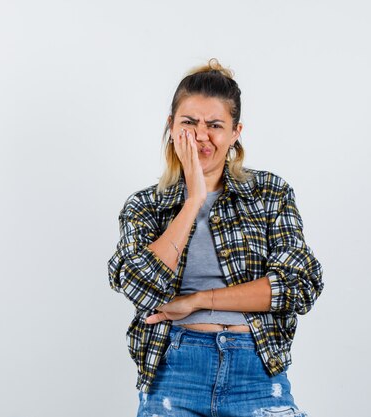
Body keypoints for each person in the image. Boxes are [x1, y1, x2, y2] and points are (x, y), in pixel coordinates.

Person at [107, 58, 324, 417]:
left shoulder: (269, 193)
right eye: (189, 122)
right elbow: (140, 285)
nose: (201, 135)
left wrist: (197, 300)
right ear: (171, 127)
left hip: (255, 369)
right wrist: (193, 200)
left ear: (236, 132)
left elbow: (299, 285)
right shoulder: (145, 205)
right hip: (174, 372)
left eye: (215, 125)